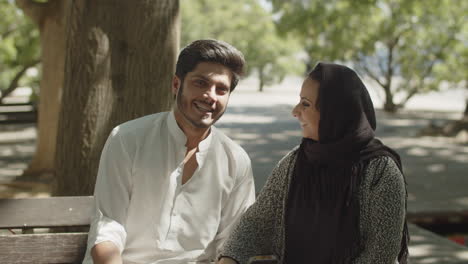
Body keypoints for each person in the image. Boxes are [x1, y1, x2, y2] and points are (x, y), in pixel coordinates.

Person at [82, 39, 256, 264]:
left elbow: (234, 244)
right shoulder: (127, 139)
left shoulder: (236, 160)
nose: (211, 95)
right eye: (200, 83)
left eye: (221, 89)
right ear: (176, 84)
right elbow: (108, 226)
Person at [218, 62, 409, 264]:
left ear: (333, 112)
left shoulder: (381, 172)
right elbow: (256, 223)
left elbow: (380, 256)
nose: (295, 111)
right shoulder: (295, 161)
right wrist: (229, 258)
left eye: (305, 104)